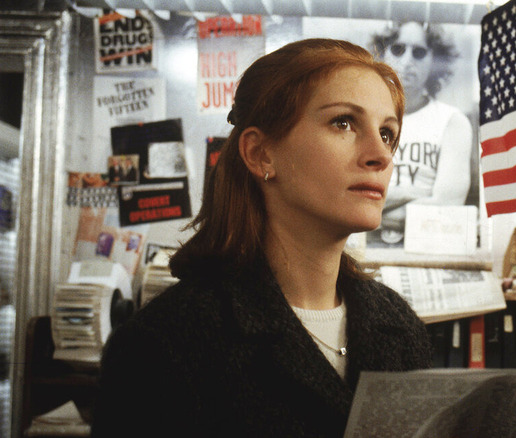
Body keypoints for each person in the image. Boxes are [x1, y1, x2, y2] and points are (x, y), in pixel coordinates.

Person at [91, 38, 432, 438]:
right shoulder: (164, 343)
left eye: (388, 133)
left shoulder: (400, 328)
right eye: (343, 122)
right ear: (260, 154)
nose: (381, 154)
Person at [369, 22, 473, 246]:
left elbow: (448, 207)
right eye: (398, 49)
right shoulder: (362, 118)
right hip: (362, 247)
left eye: (419, 53)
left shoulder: (453, 122)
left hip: (427, 243)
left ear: (434, 60)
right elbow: (341, 201)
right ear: (382, 54)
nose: (407, 62)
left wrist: (369, 213)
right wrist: (414, 196)